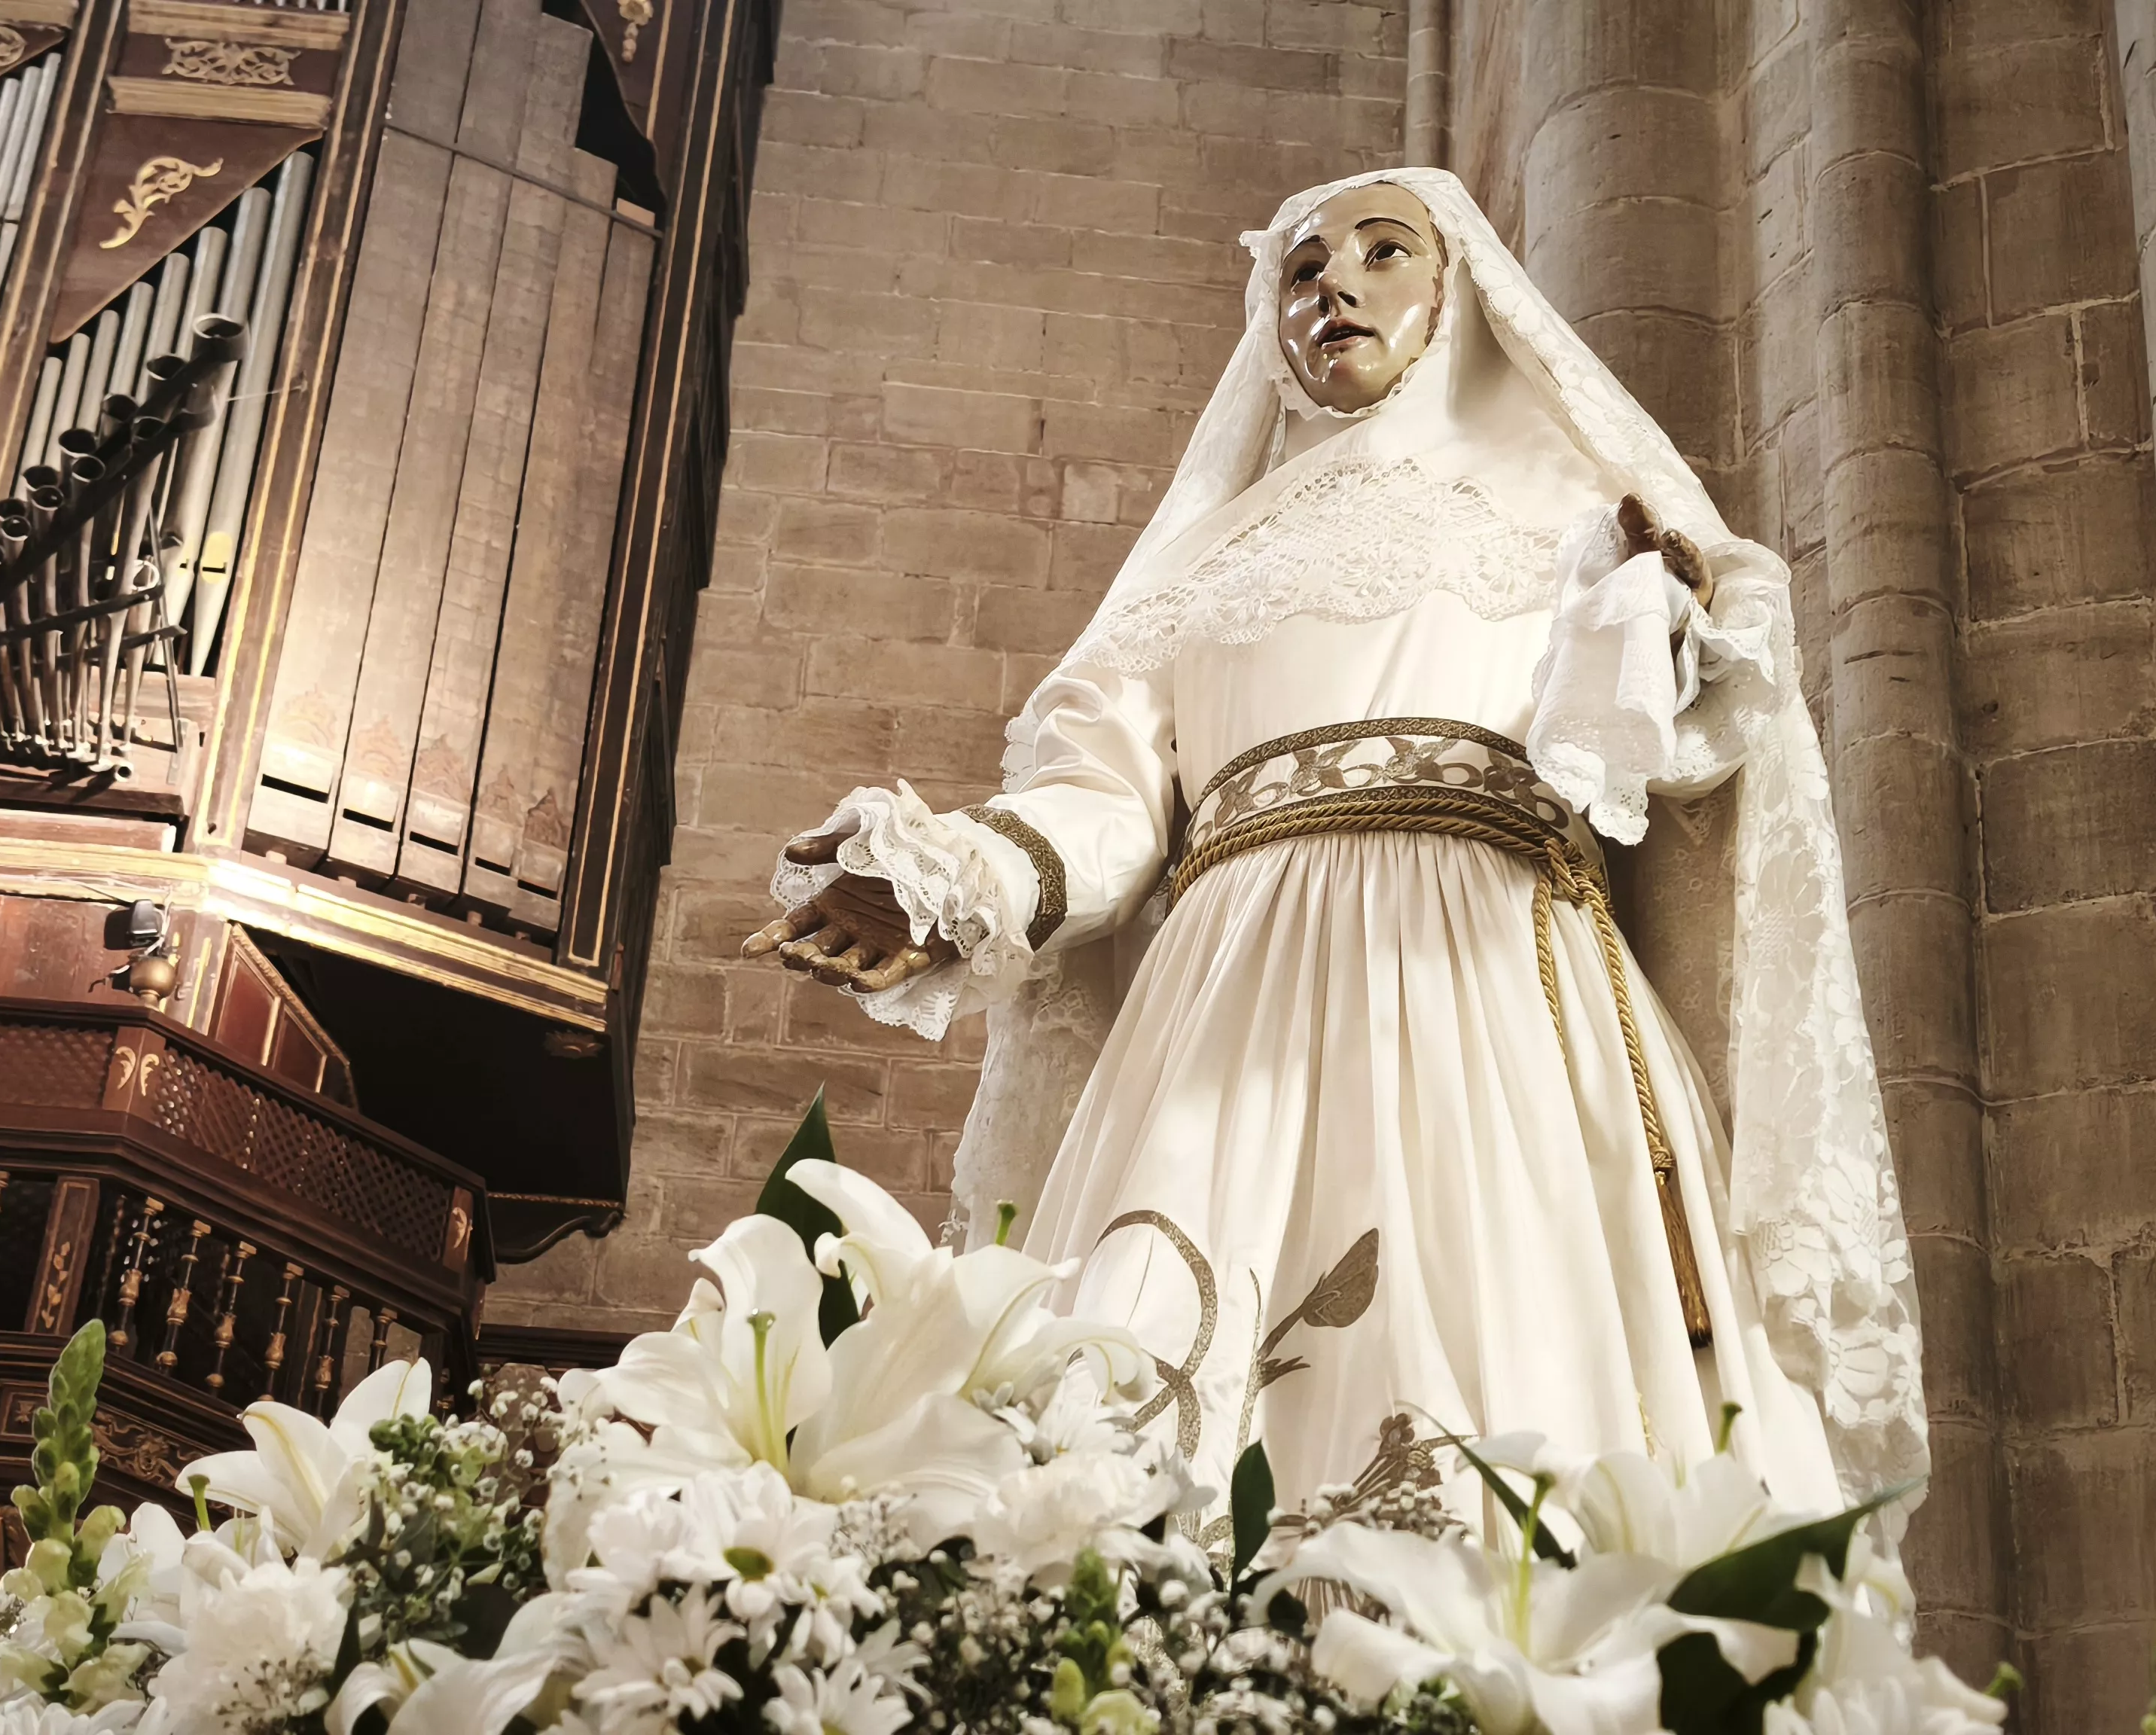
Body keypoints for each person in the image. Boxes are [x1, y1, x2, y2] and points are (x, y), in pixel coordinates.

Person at [745, 170, 1922, 1524]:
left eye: (1383, 252)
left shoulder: (1573, 511)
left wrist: (1660, 613)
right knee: (1152, 1388)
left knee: (1500, 1357)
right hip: (1228, 1004)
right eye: (1302, 270)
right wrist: (951, 885)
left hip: (1488, 977)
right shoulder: (1201, 560)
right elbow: (1108, 798)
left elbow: (1644, 750)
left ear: (1457, 291)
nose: (1338, 285)